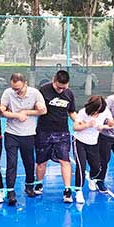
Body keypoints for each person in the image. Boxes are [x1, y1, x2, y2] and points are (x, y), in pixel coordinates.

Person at [0, 73, 46, 206]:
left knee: (29, 162)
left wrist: (27, 112)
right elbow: (2, 112)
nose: (16, 91)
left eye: (18, 89)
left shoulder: (35, 93)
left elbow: (43, 111)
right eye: (14, 88)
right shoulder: (8, 93)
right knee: (11, 163)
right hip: (11, 133)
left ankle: (29, 186)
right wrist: (16, 115)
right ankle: (10, 191)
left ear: (25, 84)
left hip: (28, 134)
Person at [35, 70, 77, 203]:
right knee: (41, 161)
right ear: (54, 81)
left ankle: (67, 189)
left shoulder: (69, 94)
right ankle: (39, 183)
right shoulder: (43, 90)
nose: (61, 90)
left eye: (64, 88)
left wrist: (79, 122)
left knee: (65, 160)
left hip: (62, 132)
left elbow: (72, 112)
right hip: (44, 131)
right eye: (58, 87)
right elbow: (37, 107)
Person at [72, 96, 114, 203]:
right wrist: (87, 125)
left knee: (97, 167)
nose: (97, 113)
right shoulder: (83, 112)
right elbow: (75, 127)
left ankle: (92, 178)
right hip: (79, 141)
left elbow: (112, 124)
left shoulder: (105, 112)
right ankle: (78, 191)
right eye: (95, 110)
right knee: (81, 166)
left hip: (93, 142)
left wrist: (103, 126)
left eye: (99, 111)